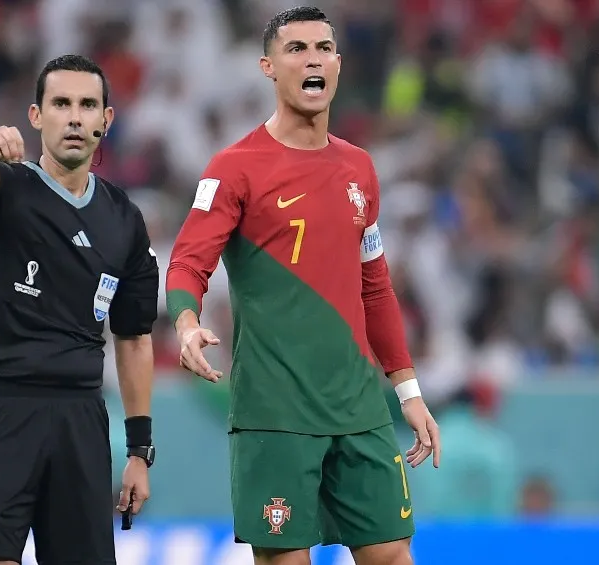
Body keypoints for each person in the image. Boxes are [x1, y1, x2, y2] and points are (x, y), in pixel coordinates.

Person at [165, 8, 441, 565]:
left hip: (359, 407)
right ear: (268, 66)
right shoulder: (233, 167)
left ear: (337, 64)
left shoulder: (359, 168)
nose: (313, 58)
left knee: (392, 554)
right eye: (296, 49)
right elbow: (188, 261)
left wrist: (408, 393)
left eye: (324, 47)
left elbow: (376, 287)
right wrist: (187, 322)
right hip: (276, 410)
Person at [0, 54, 159, 565]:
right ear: (36, 115)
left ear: (106, 120)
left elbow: (132, 338)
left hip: (80, 415)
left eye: (88, 105)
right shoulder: (7, 186)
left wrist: (138, 451)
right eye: (61, 103)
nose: (74, 117)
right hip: (0, 404)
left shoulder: (124, 220)